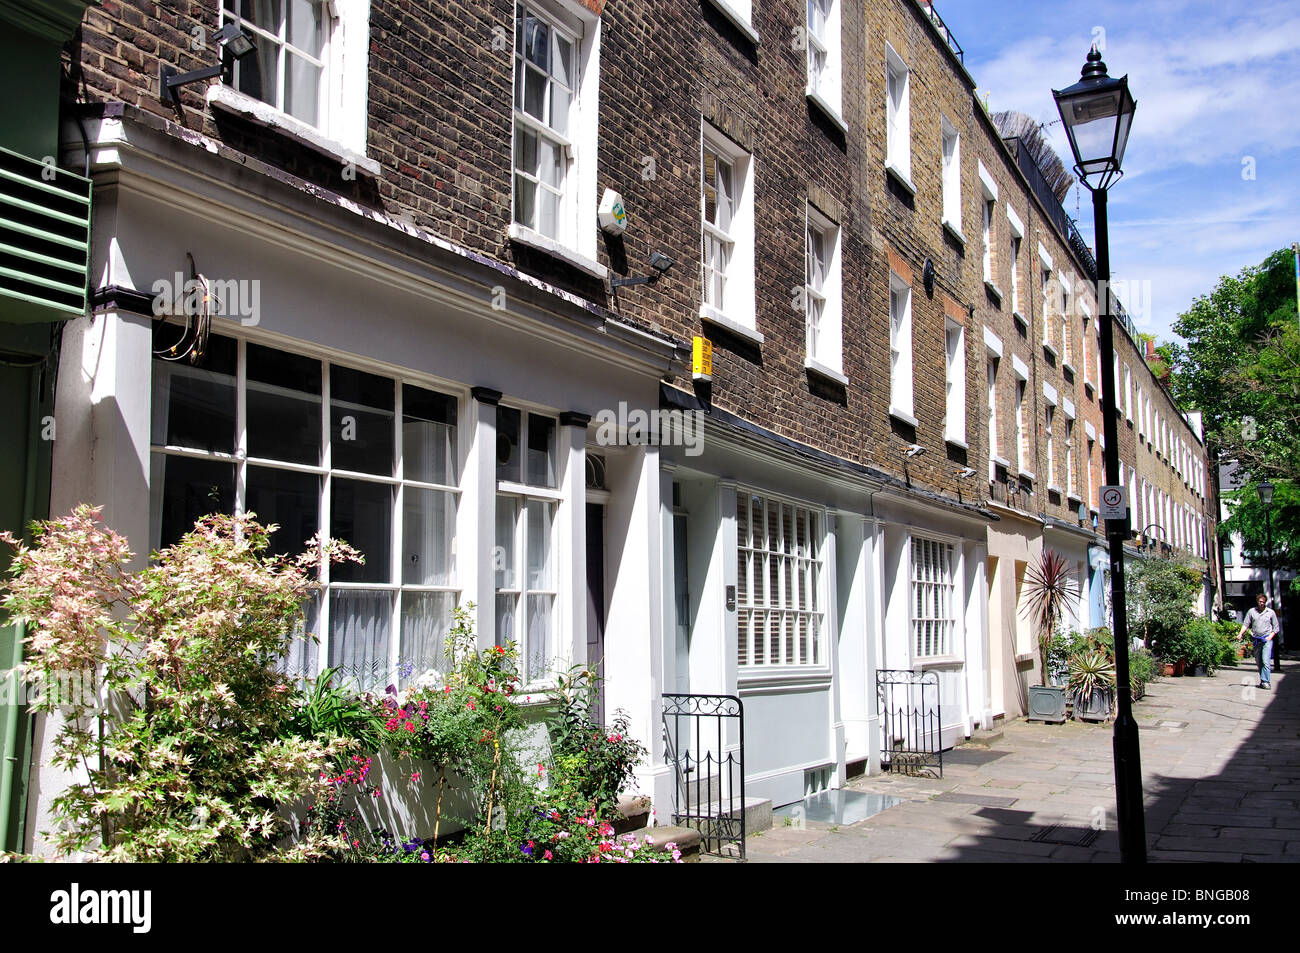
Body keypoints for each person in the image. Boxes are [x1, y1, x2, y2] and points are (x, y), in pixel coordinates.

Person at [1239, 592, 1280, 689]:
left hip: (1266, 639)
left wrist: (1270, 637)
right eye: (1260, 601)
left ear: (1265, 602)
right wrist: (1240, 633)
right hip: (1256, 639)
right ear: (1257, 601)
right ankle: (1263, 680)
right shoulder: (1251, 612)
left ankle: (1266, 681)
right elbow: (1246, 624)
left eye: (1263, 602)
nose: (1262, 603)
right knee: (1259, 661)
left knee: (1265, 661)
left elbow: (1276, 627)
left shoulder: (1270, 612)